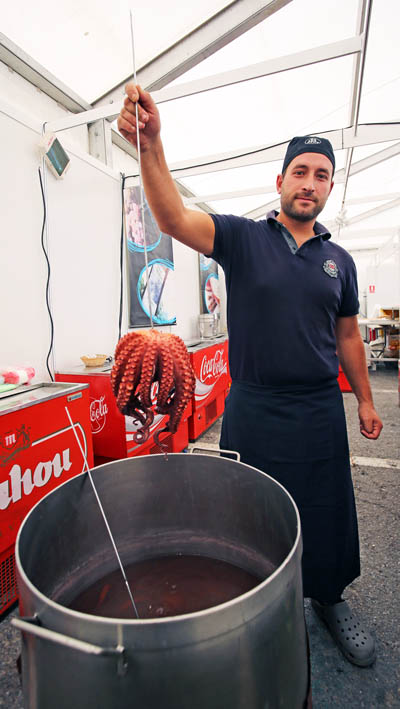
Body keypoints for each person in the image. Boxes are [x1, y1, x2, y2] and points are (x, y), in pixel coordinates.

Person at [118, 84, 383, 667]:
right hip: (254, 406)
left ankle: (329, 597)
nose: (308, 183)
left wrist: (365, 400)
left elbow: (347, 337)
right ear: (280, 180)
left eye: (320, 174)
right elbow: (169, 215)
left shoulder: (340, 260)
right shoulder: (241, 237)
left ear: (329, 186)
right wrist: (152, 145)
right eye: (299, 171)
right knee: (244, 510)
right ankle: (251, 603)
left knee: (327, 509)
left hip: (318, 407)